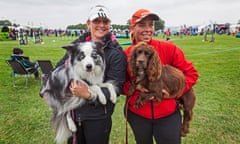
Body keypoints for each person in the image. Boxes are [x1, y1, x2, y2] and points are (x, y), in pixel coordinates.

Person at [42, 5, 127, 144]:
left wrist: (88, 94)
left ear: (109, 24)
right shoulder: (76, 47)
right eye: (96, 21)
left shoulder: (116, 53)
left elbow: (116, 87)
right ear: (88, 23)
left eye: (105, 22)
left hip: (98, 117)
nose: (101, 25)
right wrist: (45, 91)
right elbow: (55, 70)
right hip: (74, 115)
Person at [122, 9, 199, 144]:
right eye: (142, 25)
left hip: (167, 115)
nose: (147, 29)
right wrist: (136, 87)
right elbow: (119, 83)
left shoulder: (169, 49)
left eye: (151, 25)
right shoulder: (125, 54)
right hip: (137, 114)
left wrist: (173, 93)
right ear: (132, 28)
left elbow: (191, 74)